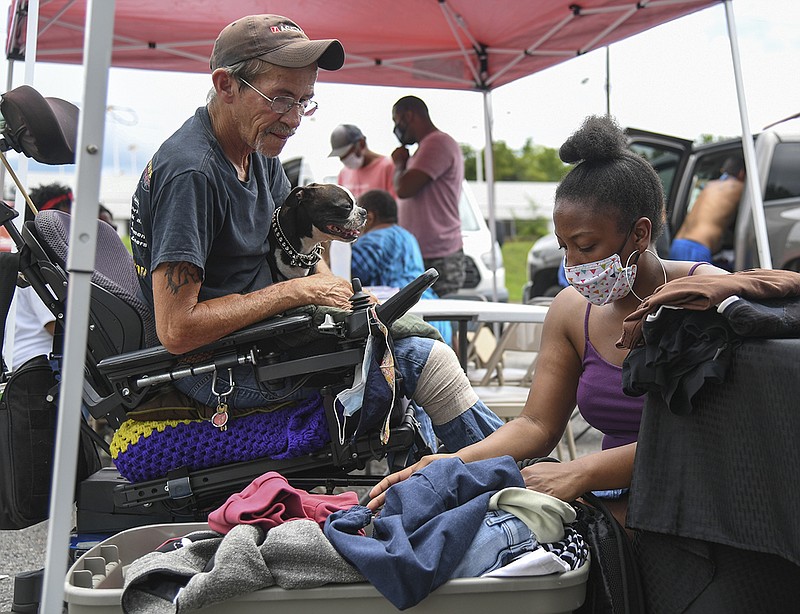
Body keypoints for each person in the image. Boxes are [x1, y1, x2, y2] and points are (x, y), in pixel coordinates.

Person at [129, 14, 502, 453]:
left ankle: (471, 482)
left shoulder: (257, 147)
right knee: (423, 361)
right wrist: (303, 292)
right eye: (281, 99)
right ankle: (520, 480)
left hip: (263, 340)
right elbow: (176, 329)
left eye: (305, 101)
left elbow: (299, 240)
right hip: (219, 367)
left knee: (403, 338)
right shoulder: (191, 172)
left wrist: (329, 287)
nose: (294, 119)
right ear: (226, 85)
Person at [368, 115, 728, 525]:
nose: (572, 266)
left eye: (586, 246)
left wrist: (582, 471)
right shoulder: (572, 310)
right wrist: (450, 462)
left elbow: (709, 436)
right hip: (616, 505)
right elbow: (537, 424)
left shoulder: (705, 297)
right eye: (563, 248)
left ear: (640, 234)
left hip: (698, 509)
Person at [351, 189, 452, 344]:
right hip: (436, 319)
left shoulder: (374, 240)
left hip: (406, 320)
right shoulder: (407, 236)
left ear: (369, 218)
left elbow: (348, 274)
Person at [391, 95, 465, 297]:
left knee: (440, 321)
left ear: (409, 115)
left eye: (396, 121)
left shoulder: (437, 143)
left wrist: (399, 164)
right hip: (424, 253)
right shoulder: (424, 149)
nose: (395, 129)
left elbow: (405, 188)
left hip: (439, 255)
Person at [669, 155, 746, 263]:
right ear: (742, 173)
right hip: (697, 248)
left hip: (678, 244)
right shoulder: (739, 188)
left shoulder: (710, 185)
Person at [329, 124, 396, 198]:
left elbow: (394, 206)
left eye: (347, 154)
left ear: (361, 143)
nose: (343, 159)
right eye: (341, 156)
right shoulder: (344, 173)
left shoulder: (388, 166)